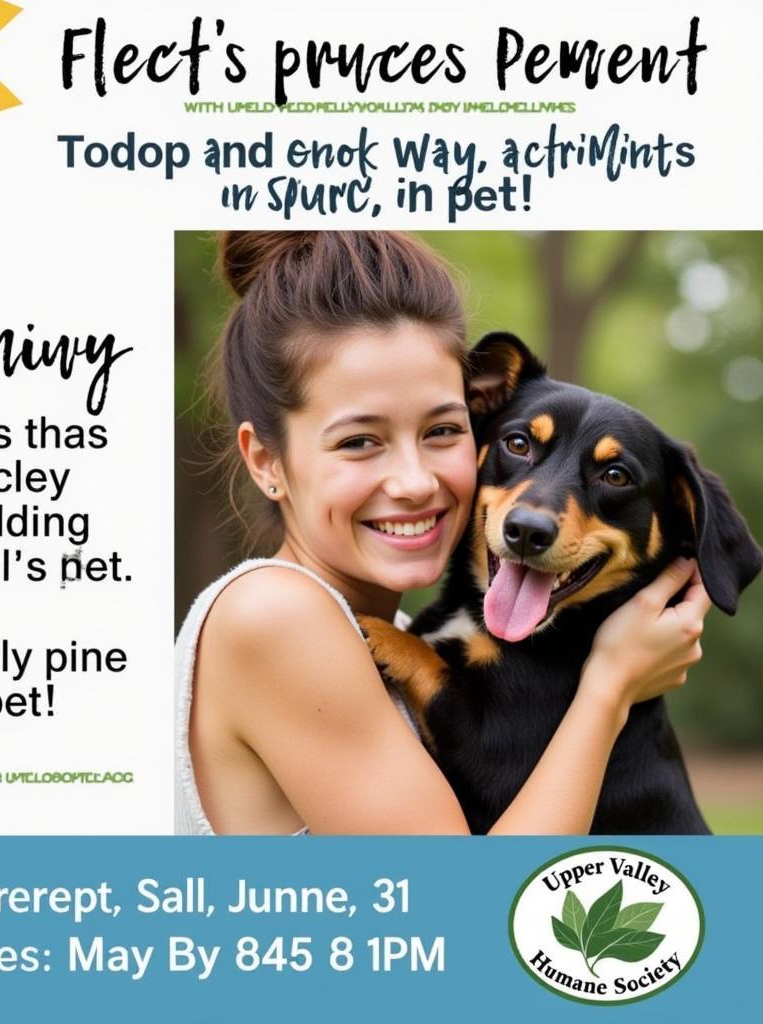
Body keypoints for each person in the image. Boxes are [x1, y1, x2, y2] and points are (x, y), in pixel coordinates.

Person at [175, 231, 708, 835]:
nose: (415, 482)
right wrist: (609, 688)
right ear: (268, 461)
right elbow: (462, 916)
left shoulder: (400, 638)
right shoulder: (277, 617)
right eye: (359, 441)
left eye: (442, 431)